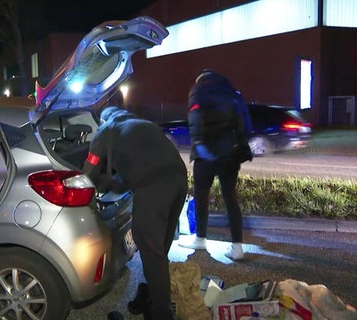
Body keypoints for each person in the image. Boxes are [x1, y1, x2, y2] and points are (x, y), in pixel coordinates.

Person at [83, 106, 188, 320]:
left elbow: (88, 172)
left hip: (153, 186)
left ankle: (161, 314)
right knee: (159, 249)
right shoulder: (141, 124)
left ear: (103, 120)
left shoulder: (106, 131)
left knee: (150, 248)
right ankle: (151, 296)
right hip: (179, 180)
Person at [179, 69, 253, 260]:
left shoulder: (198, 90)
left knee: (201, 196)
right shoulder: (232, 93)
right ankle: (237, 248)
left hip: (206, 155)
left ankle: (201, 239)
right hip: (230, 154)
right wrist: (240, 147)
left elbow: (195, 118)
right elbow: (243, 123)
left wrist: (198, 143)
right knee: (231, 198)